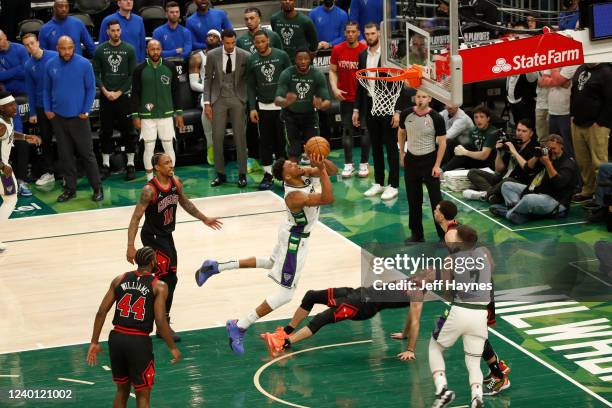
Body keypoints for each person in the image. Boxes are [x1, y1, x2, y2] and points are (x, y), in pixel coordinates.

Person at [194, 154, 337, 354]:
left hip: (288, 228)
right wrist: (320, 170)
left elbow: (333, 171)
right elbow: (328, 198)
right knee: (286, 294)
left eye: (293, 163)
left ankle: (216, 266)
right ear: (287, 177)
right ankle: (241, 325)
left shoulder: (302, 173)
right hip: (295, 241)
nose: (296, 164)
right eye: (291, 165)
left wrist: (322, 163)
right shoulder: (294, 196)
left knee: (271, 262)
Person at [127, 152, 222, 341]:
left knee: (170, 279)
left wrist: (204, 218)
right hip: (153, 237)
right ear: (157, 168)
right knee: (168, 278)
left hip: (167, 236)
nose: (171, 165)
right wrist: (130, 245)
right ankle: (162, 324)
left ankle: (156, 318)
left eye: (171, 161)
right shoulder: (149, 190)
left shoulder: (175, 182)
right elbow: (136, 217)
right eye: (166, 163)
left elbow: (185, 202)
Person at [86, 246, 181, 408]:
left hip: (116, 338)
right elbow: (160, 320)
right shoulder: (159, 286)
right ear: (152, 262)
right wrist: (172, 347)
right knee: (142, 395)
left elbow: (101, 311)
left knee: (122, 391)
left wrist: (94, 342)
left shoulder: (119, 279)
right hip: (138, 341)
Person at [261, 276, 426, 360]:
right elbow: (410, 316)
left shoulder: (418, 292)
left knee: (321, 318)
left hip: (363, 306)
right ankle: (286, 332)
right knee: (311, 296)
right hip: (357, 292)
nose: (428, 269)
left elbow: (415, 320)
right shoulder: (414, 280)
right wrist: (404, 334)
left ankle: (283, 343)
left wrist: (410, 349)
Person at [429, 225, 491, 408]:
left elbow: (446, 289)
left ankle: (442, 390)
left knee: (435, 347)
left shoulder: (451, 260)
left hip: (460, 309)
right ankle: (477, 396)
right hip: (481, 314)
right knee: (473, 361)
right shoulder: (485, 253)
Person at [44, 36, 102, 203]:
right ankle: (70, 189)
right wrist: (48, 109)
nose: (67, 51)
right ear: (57, 47)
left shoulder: (84, 64)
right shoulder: (50, 65)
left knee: (87, 154)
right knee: (65, 155)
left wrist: (86, 109)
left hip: (79, 117)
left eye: (70, 47)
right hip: (58, 118)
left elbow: (91, 88)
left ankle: (97, 187)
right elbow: (46, 89)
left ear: (74, 47)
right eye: (63, 48)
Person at [353, 23, 404, 201]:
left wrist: (398, 111)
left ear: (379, 34)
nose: (370, 36)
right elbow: (360, 86)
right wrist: (356, 109)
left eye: (373, 33)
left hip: (388, 103)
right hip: (370, 104)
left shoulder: (391, 55)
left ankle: (394, 185)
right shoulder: (362, 55)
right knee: (375, 146)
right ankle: (379, 182)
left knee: (391, 146)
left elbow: (400, 83)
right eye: (367, 34)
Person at [489, 134, 579, 224]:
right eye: (549, 148)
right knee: (506, 186)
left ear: (561, 147)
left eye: (554, 148)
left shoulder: (568, 164)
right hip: (538, 191)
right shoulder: (547, 156)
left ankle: (509, 213)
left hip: (555, 201)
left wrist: (547, 163)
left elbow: (558, 183)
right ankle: (519, 212)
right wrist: (536, 157)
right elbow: (527, 169)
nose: (551, 151)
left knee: (528, 199)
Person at [203, 29, 251, 188]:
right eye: (227, 43)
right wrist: (207, 103)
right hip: (219, 99)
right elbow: (208, 79)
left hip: (238, 98)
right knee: (217, 137)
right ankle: (220, 174)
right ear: (222, 41)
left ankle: (242, 174)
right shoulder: (212, 55)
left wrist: (247, 101)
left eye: (233, 43)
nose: (230, 46)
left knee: (240, 137)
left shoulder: (245, 55)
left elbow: (249, 80)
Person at [398, 90, 446, 243]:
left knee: (436, 200)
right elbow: (401, 133)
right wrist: (402, 153)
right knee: (413, 199)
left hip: (429, 160)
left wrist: (437, 165)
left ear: (430, 98)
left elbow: (443, 143)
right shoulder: (406, 114)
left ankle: (443, 234)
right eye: (418, 96)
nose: (420, 100)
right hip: (411, 160)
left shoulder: (436, 117)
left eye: (424, 97)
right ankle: (417, 234)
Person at [132, 40, 184, 182]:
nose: (155, 52)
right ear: (147, 50)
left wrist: (179, 112)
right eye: (152, 49)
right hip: (146, 115)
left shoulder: (169, 67)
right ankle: (150, 179)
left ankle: (171, 177)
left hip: (166, 114)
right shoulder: (139, 69)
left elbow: (176, 91)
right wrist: (135, 115)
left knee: (168, 145)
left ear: (161, 50)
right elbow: (135, 93)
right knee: (149, 147)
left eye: (158, 49)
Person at [246, 31, 292, 190]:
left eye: (262, 41)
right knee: (265, 143)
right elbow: (251, 87)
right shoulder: (252, 60)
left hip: (281, 107)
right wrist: (252, 107)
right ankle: (267, 174)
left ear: (268, 41)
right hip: (263, 108)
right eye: (256, 42)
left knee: (282, 142)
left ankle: (285, 175)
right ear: (253, 43)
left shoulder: (282, 56)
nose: (260, 45)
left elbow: (290, 78)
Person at [93, 20, 137, 181]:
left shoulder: (129, 49)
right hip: (106, 98)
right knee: (106, 131)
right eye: (113, 30)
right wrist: (105, 91)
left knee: (129, 131)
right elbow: (95, 74)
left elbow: (133, 75)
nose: (116, 33)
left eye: (118, 30)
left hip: (124, 97)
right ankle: (105, 165)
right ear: (107, 32)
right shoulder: (100, 50)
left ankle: (130, 164)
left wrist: (119, 92)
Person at [275, 48, 332, 163]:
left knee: (315, 149)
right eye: (299, 59)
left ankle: (315, 180)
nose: (303, 61)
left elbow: (328, 101)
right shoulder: (287, 74)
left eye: (306, 58)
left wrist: (320, 105)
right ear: (294, 60)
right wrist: (286, 102)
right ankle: (293, 177)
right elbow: (277, 99)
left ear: (310, 59)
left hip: (310, 116)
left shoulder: (317, 74)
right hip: (290, 116)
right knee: (293, 150)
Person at [0, 91, 41, 252]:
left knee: (10, 198)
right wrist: (3, 166)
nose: (15, 107)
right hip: (2, 170)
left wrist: (24, 137)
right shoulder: (1, 125)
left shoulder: (6, 121)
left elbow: (9, 135)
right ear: (2, 108)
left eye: (14, 104)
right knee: (10, 199)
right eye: (10, 105)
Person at [464, 119, 538, 204]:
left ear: (531, 133)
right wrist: (498, 152)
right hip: (502, 178)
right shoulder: (513, 143)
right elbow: (499, 169)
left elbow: (527, 168)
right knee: (472, 172)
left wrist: (514, 152)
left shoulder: (534, 148)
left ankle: (487, 194)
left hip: (517, 183)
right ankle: (492, 193)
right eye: (518, 130)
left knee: (507, 181)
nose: (520, 133)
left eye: (524, 131)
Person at [329, 21, 368, 178]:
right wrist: (334, 88)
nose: (350, 34)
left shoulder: (365, 50)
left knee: (365, 131)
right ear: (344, 33)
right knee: (347, 131)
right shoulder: (337, 49)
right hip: (345, 98)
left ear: (358, 33)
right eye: (348, 32)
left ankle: (364, 164)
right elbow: (332, 71)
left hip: (363, 99)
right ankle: (348, 164)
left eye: (353, 31)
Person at [569, 63, 612, 204]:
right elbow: (574, 92)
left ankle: (602, 197)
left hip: (597, 125)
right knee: (583, 161)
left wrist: (600, 122)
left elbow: (610, 100)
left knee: (599, 162)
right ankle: (588, 190)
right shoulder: (581, 68)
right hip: (577, 122)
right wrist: (572, 114)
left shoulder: (606, 72)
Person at [23, 34, 57, 187]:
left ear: (38, 42)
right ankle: (49, 172)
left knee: (64, 140)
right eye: (27, 45)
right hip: (40, 106)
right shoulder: (28, 65)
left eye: (32, 43)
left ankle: (68, 171)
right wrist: (32, 112)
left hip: (58, 106)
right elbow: (29, 90)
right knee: (46, 140)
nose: (30, 47)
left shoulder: (54, 57)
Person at [188, 29, 220, 166]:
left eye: (214, 36)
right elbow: (194, 84)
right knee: (207, 107)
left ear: (219, 40)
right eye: (209, 35)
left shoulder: (226, 55)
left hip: (225, 91)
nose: (211, 38)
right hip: (205, 92)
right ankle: (211, 146)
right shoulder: (197, 57)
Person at [539, 64, 578, 155]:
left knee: (567, 144)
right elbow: (541, 82)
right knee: (552, 143)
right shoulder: (553, 62)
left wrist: (554, 74)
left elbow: (560, 81)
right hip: (552, 111)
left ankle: (569, 166)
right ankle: (554, 166)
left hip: (565, 112)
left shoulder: (571, 64)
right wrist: (558, 80)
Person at [443, 105, 497, 171]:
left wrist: (465, 152)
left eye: (482, 117)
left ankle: (443, 170)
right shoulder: (473, 130)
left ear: (488, 118)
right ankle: (443, 166)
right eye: (476, 117)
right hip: (474, 158)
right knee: (449, 142)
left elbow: (484, 156)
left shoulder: (492, 132)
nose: (478, 120)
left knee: (463, 152)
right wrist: (461, 149)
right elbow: (470, 147)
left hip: (486, 163)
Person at [0, 30, 28, 95]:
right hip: (5, 93)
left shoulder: (20, 48)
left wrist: (7, 73)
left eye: (0, 39)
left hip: (24, 89)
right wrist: (18, 69)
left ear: (5, 37)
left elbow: (26, 73)